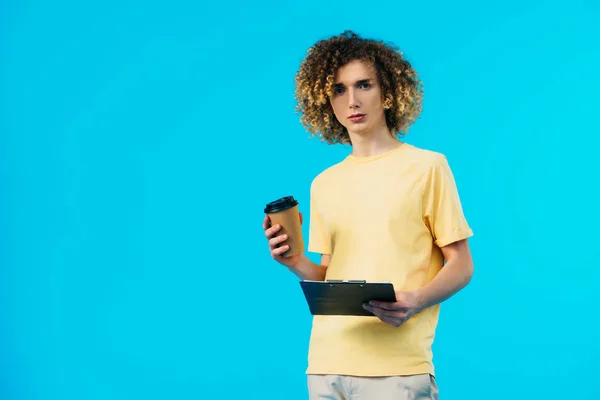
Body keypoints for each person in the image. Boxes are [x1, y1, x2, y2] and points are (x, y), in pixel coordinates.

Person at [262, 30, 474, 400]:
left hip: (397, 368)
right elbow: (330, 275)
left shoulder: (427, 167)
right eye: (339, 90)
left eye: (364, 85)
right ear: (325, 101)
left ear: (387, 91)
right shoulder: (324, 183)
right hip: (326, 365)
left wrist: (417, 300)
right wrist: (295, 262)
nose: (353, 101)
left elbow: (461, 265)